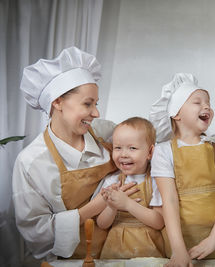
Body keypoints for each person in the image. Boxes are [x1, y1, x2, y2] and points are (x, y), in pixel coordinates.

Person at [12, 47, 136, 260]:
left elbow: (148, 143)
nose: (96, 113)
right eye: (87, 104)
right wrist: (92, 209)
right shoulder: (31, 162)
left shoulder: (106, 133)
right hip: (73, 261)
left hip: (125, 251)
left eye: (96, 104)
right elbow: (36, 232)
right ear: (57, 102)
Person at [149, 73, 215, 267]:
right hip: (180, 242)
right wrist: (179, 250)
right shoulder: (164, 151)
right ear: (176, 113)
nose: (206, 106)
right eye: (197, 102)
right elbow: (169, 201)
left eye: (208, 102)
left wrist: (214, 239)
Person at [96, 117, 165, 258]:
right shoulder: (112, 181)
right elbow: (102, 224)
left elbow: (159, 222)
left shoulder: (156, 181)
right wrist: (112, 207)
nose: (123, 154)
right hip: (114, 249)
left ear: (150, 152)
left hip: (146, 248)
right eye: (118, 148)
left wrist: (127, 204)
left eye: (132, 148)